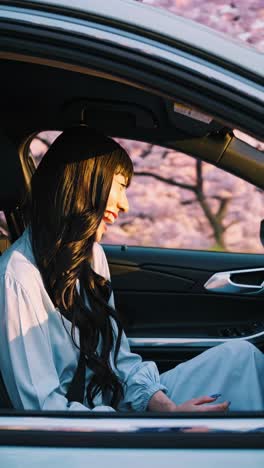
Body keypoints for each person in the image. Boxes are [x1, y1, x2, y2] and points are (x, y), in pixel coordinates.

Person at [0, 126, 264, 413]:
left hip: (113, 405)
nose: (125, 205)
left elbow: (119, 359)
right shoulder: (17, 279)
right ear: (87, 183)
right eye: (121, 185)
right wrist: (162, 428)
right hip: (86, 434)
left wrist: (167, 409)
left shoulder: (90, 256)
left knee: (242, 358)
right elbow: (43, 410)